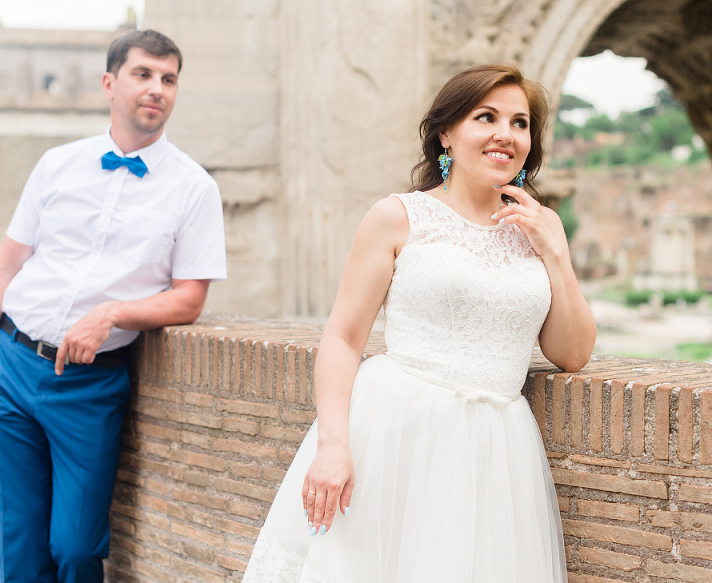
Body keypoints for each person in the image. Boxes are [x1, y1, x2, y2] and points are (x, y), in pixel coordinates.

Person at [243, 64, 594, 581]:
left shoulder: (540, 228)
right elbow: (343, 337)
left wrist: (555, 253)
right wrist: (333, 445)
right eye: (486, 117)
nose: (506, 134)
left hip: (498, 448)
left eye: (520, 123)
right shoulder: (398, 216)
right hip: (396, 432)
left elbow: (573, 353)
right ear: (446, 134)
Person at [0, 29, 227, 583]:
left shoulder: (194, 188)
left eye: (168, 79)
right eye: (143, 74)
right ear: (109, 83)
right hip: (11, 364)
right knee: (21, 542)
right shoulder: (57, 164)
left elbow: (190, 298)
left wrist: (112, 313)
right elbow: (3, 266)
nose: (157, 88)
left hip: (90, 382)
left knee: (76, 547)